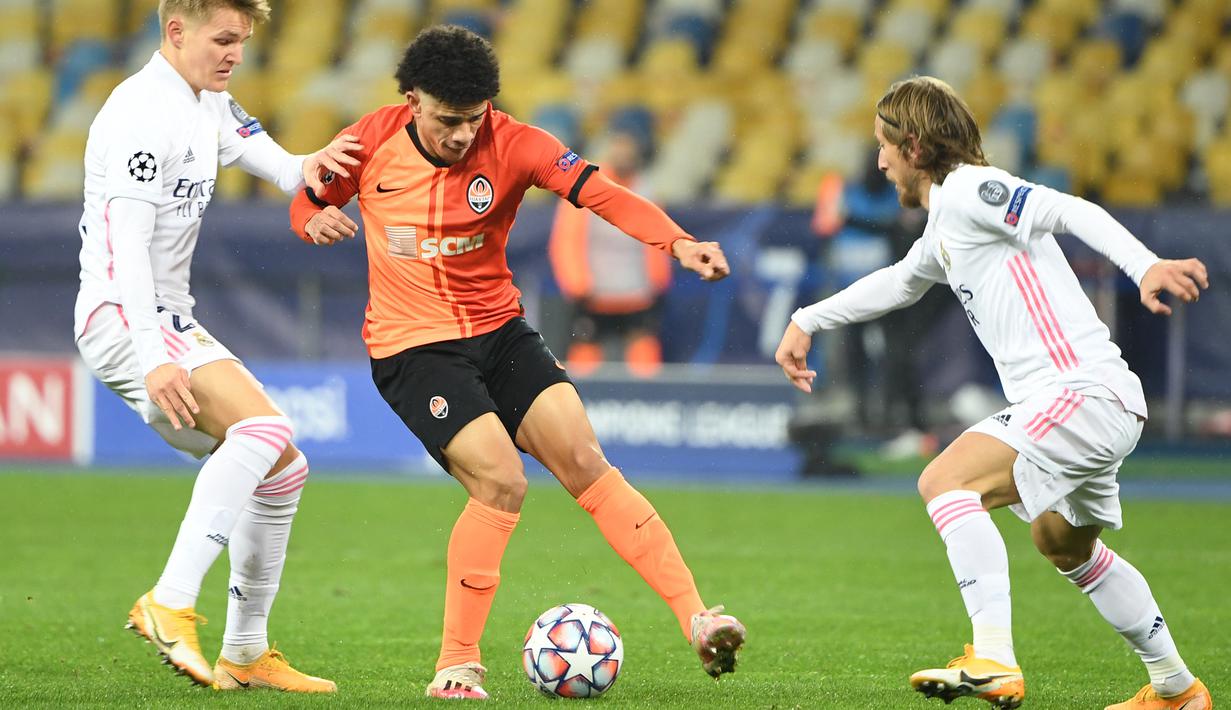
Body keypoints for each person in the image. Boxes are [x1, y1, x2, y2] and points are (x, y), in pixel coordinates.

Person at [288, 25, 746, 700]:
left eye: (471, 121)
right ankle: (457, 662)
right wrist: (311, 221)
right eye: (446, 122)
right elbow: (307, 198)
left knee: (586, 461)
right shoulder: (367, 142)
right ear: (411, 100)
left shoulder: (516, 143)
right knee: (502, 482)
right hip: (414, 347)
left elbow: (601, 193)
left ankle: (698, 620)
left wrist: (675, 243)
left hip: (499, 332)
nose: (459, 137)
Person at [775, 77, 1212, 710]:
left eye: (884, 146)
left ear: (916, 146)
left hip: (1079, 391)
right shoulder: (946, 222)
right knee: (1063, 544)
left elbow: (1070, 210)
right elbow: (901, 282)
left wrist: (1144, 265)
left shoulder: (971, 189)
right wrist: (808, 319)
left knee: (945, 482)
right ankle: (1176, 688)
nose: (879, 161)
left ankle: (994, 659)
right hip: (1094, 401)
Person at [74, 0, 359, 693]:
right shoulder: (142, 112)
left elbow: (276, 163)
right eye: (223, 39)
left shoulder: (208, 101)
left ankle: (245, 652)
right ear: (176, 32)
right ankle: (169, 602)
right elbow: (129, 248)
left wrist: (310, 168)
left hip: (167, 320)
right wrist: (154, 353)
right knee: (264, 427)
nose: (235, 53)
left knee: (283, 465)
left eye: (243, 41)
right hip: (125, 315)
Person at [548, 123, 672, 377]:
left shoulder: (647, 190)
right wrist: (578, 285)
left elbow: (659, 238)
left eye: (629, 148)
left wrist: (657, 281)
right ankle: (583, 402)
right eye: (619, 147)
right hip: (594, 295)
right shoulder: (586, 188)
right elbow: (566, 240)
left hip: (636, 293)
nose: (623, 154)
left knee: (644, 355)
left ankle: (650, 401)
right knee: (584, 355)